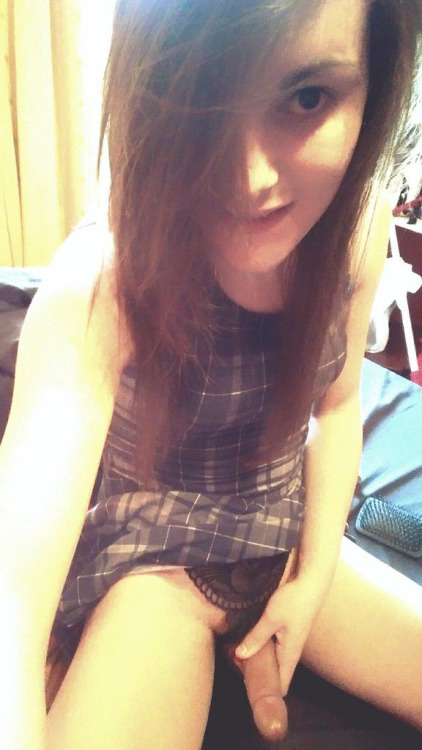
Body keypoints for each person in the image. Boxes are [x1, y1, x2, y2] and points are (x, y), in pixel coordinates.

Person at [0, 0, 421, 748]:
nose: (248, 175)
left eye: (307, 98)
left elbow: (338, 405)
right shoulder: (103, 284)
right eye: (204, 98)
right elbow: (13, 591)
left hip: (282, 542)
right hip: (156, 570)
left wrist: (311, 580)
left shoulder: (356, 235)